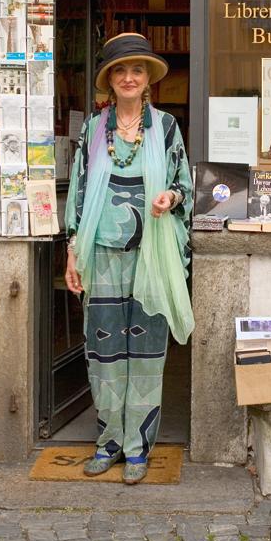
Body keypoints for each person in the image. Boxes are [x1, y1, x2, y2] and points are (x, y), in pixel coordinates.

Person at [65, 33, 193, 485]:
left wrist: (170, 196)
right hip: (100, 257)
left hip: (151, 257)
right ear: (110, 80)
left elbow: (186, 186)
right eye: (120, 71)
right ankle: (108, 442)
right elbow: (79, 194)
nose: (129, 77)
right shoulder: (93, 130)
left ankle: (138, 446)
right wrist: (72, 253)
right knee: (103, 352)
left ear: (147, 79)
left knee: (145, 352)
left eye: (136, 70)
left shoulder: (166, 128)